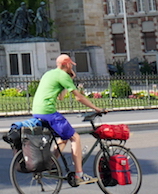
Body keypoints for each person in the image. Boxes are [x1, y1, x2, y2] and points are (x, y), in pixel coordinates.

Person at [31, 53, 104, 185]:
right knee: (75, 137)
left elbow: (60, 97)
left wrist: (68, 81)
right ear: (67, 64)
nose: (72, 67)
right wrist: (96, 108)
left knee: (64, 137)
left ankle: (50, 164)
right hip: (48, 111)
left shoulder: (50, 74)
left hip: (37, 111)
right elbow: (78, 97)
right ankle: (79, 175)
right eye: (71, 64)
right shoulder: (63, 75)